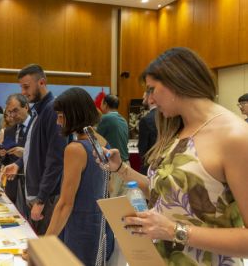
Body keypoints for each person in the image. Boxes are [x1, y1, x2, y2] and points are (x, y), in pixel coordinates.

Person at [105, 47, 248, 265]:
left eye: (152, 89)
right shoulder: (178, 130)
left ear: (175, 81)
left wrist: (174, 231)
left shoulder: (234, 136)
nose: (148, 99)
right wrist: (121, 169)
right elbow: (166, 194)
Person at [45, 87, 114, 266]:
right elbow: (109, 187)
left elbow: (65, 203)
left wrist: (43, 245)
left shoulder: (75, 149)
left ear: (73, 114)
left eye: (61, 116)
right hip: (98, 224)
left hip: (78, 228)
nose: (58, 122)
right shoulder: (100, 141)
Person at [3, 64, 67, 235]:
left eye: (26, 86)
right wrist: (18, 164)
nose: (23, 92)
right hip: (39, 194)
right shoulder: (39, 111)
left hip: (47, 197)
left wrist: (41, 199)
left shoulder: (52, 111)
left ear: (42, 83)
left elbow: (55, 160)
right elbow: (34, 150)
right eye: (21, 87)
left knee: (45, 251)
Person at [0, 94, 31, 215]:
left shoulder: (36, 126)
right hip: (12, 183)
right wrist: (2, 155)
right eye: (10, 112)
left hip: (30, 182)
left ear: (26, 107)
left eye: (15, 110)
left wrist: (25, 152)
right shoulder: (8, 131)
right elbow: (6, 161)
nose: (12, 115)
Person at [97, 94, 129, 197]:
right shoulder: (123, 120)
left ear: (105, 104)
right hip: (125, 164)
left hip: (113, 164)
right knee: (123, 200)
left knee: (110, 199)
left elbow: (96, 140)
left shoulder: (105, 118)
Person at [138, 91, 158, 175]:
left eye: (145, 95)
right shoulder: (168, 117)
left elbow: (143, 148)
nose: (143, 97)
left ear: (151, 98)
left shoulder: (146, 120)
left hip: (150, 166)